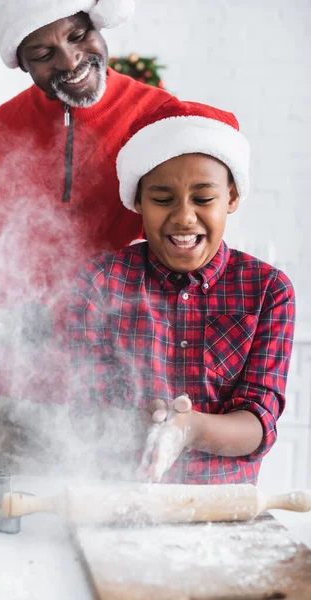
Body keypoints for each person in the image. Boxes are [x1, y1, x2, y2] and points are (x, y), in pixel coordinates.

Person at [0, 0, 173, 472]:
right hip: (17, 390)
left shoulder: (161, 119)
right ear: (21, 61)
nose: (70, 61)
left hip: (120, 400)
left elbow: (188, 244)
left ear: (97, 22)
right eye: (42, 52)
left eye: (76, 36)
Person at [68, 97, 296, 484]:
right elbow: (86, 414)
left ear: (232, 198)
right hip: (117, 494)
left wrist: (186, 429)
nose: (184, 217)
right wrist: (143, 422)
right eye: (162, 199)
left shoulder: (268, 291)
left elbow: (259, 424)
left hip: (222, 508)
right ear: (138, 200)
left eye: (204, 199)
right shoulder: (100, 282)